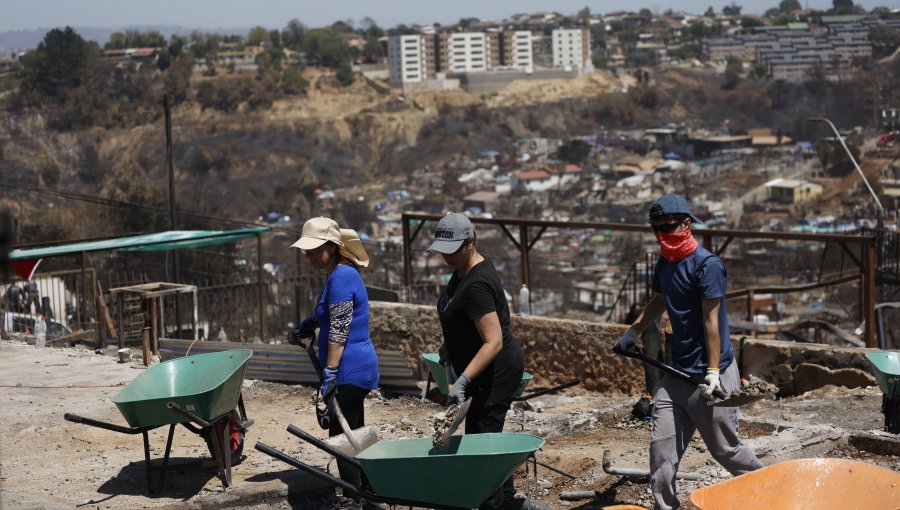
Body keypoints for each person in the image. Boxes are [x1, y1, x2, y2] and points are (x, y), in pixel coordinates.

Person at [615, 194, 763, 510]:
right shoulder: (665, 263)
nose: (662, 234)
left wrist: (712, 373)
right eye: (656, 229)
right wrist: (633, 331)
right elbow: (659, 300)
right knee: (662, 450)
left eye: (667, 227)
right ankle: (665, 506)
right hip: (677, 373)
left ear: (686, 223)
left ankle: (770, 490)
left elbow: (712, 322)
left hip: (713, 373)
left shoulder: (707, 266)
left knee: (726, 451)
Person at [427, 212, 525, 510]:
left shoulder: (478, 283)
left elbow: (493, 341)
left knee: (480, 449)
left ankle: (493, 504)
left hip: (494, 375)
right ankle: (506, 500)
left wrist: (463, 380)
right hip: (480, 373)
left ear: (471, 242)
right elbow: (461, 318)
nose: (446, 257)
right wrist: (448, 347)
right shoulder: (461, 271)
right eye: (442, 251)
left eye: (452, 250)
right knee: (486, 441)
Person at [290, 217, 379, 495]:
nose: (308, 256)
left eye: (314, 249)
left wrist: (329, 372)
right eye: (306, 250)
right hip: (353, 366)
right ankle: (370, 490)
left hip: (348, 369)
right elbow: (335, 317)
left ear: (331, 245)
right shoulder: (339, 273)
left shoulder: (341, 277)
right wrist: (312, 322)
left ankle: (353, 496)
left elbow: (339, 331)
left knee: (342, 436)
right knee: (354, 432)